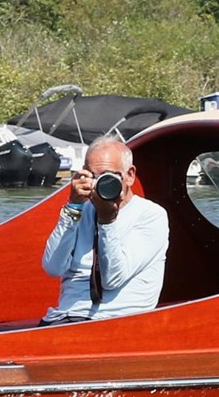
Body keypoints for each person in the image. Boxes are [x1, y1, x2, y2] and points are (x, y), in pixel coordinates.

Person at [41, 136, 168, 324]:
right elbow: (52, 267)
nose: (99, 183)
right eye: (92, 175)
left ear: (130, 175)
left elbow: (112, 279)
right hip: (65, 318)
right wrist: (73, 206)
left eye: (107, 175)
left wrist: (107, 221)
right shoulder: (79, 211)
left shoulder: (151, 215)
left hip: (116, 322)